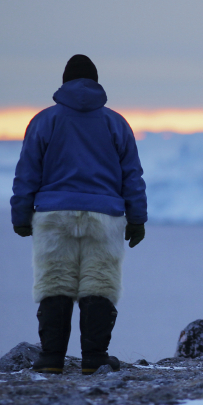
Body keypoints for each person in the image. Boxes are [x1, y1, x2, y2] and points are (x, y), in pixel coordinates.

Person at [11, 54, 147, 375]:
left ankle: (51, 358)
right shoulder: (116, 123)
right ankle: (95, 358)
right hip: (106, 217)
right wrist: (137, 219)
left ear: (64, 82)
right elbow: (132, 175)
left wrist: (21, 215)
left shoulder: (45, 120)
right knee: (99, 283)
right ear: (97, 83)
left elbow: (27, 172)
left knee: (55, 282)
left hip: (53, 216)